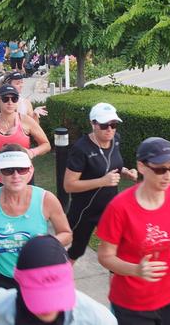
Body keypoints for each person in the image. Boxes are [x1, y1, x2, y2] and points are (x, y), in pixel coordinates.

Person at [97, 137, 170, 325]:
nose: (167, 175)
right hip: (132, 302)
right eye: (160, 169)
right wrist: (135, 270)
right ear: (141, 167)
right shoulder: (119, 207)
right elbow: (105, 256)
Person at [0, 144, 72, 298]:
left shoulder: (46, 200)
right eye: (8, 170)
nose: (16, 175)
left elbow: (66, 234)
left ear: (30, 170)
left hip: (37, 276)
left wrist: (44, 244)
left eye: (21, 169)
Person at [0, 235, 117, 325]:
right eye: (40, 296)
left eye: (55, 295)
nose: (47, 308)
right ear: (18, 282)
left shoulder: (98, 319)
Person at [64, 103, 138, 264]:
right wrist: (102, 181)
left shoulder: (115, 140)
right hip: (84, 210)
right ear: (93, 124)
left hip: (110, 208)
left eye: (114, 125)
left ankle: (116, 287)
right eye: (104, 125)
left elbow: (111, 164)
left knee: (117, 251)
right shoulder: (81, 149)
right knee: (75, 250)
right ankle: (58, 284)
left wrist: (125, 171)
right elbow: (69, 185)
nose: (110, 129)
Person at [0, 84, 51, 192]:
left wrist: (32, 152)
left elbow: (46, 144)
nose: (10, 102)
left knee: (25, 208)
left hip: (23, 176)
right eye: (5, 99)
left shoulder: (26, 121)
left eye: (14, 99)